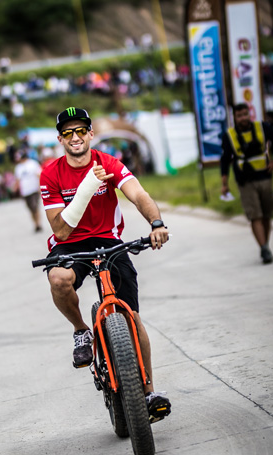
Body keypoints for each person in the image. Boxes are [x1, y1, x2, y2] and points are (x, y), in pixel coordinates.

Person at [39, 106, 171, 421]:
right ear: (60, 139)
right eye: (68, 132)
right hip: (69, 244)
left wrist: (156, 223)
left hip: (108, 241)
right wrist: (86, 189)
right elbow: (60, 229)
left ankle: (148, 391)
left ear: (90, 134)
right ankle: (81, 330)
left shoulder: (108, 163)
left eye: (81, 130)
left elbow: (138, 194)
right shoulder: (51, 174)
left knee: (132, 318)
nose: (75, 137)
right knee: (58, 279)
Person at [221, 103, 273, 264]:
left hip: (265, 178)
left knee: (266, 215)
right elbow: (225, 160)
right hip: (245, 181)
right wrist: (224, 183)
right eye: (239, 116)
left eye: (245, 114)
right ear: (234, 118)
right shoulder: (229, 135)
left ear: (249, 115)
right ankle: (264, 248)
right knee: (255, 215)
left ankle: (265, 244)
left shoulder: (262, 127)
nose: (243, 118)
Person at [13, 151, 43, 233]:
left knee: (35, 207)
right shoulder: (18, 167)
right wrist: (15, 188)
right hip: (25, 191)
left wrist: (40, 187)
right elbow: (18, 179)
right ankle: (35, 223)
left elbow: (39, 175)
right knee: (31, 209)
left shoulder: (33, 164)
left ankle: (38, 224)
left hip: (34, 189)